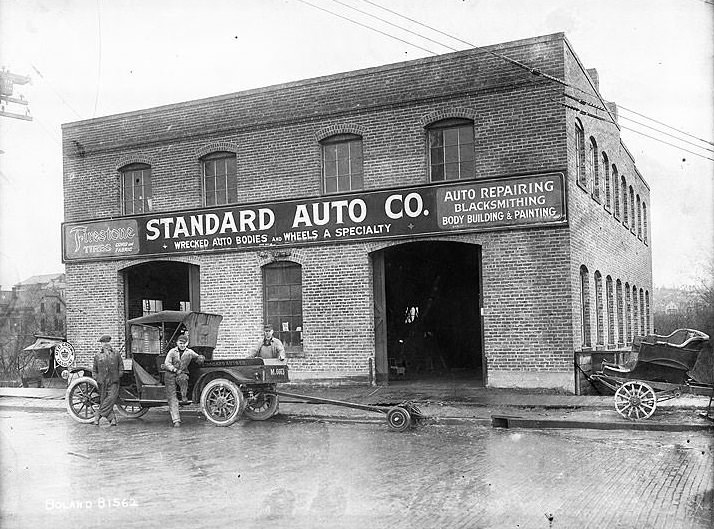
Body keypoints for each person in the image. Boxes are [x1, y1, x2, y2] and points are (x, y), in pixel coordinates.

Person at [162, 334, 204, 427]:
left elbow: (197, 357)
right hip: (170, 375)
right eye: (180, 343)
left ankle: (184, 396)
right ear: (177, 343)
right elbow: (167, 363)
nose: (182, 345)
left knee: (184, 378)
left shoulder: (189, 352)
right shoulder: (172, 352)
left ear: (187, 344)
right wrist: (175, 370)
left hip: (181, 374)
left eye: (184, 344)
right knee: (172, 397)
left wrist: (201, 358)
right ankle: (176, 420)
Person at [92, 335, 123, 426]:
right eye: (104, 343)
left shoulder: (116, 354)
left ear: (110, 343)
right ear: (102, 344)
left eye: (107, 343)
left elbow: (121, 366)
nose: (106, 345)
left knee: (111, 398)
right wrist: (97, 378)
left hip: (113, 381)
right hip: (102, 382)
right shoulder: (97, 356)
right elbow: (94, 370)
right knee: (104, 400)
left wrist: (118, 375)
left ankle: (97, 415)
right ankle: (112, 419)